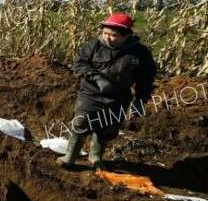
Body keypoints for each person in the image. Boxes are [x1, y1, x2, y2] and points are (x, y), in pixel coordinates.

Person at [57, 13, 156, 170]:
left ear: (127, 35)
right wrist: (98, 79)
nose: (107, 38)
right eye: (105, 33)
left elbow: (145, 79)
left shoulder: (140, 53)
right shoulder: (93, 46)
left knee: (108, 128)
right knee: (81, 122)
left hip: (118, 98)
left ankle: (95, 156)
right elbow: (79, 64)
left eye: (113, 35)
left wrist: (140, 100)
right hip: (90, 94)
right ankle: (70, 156)